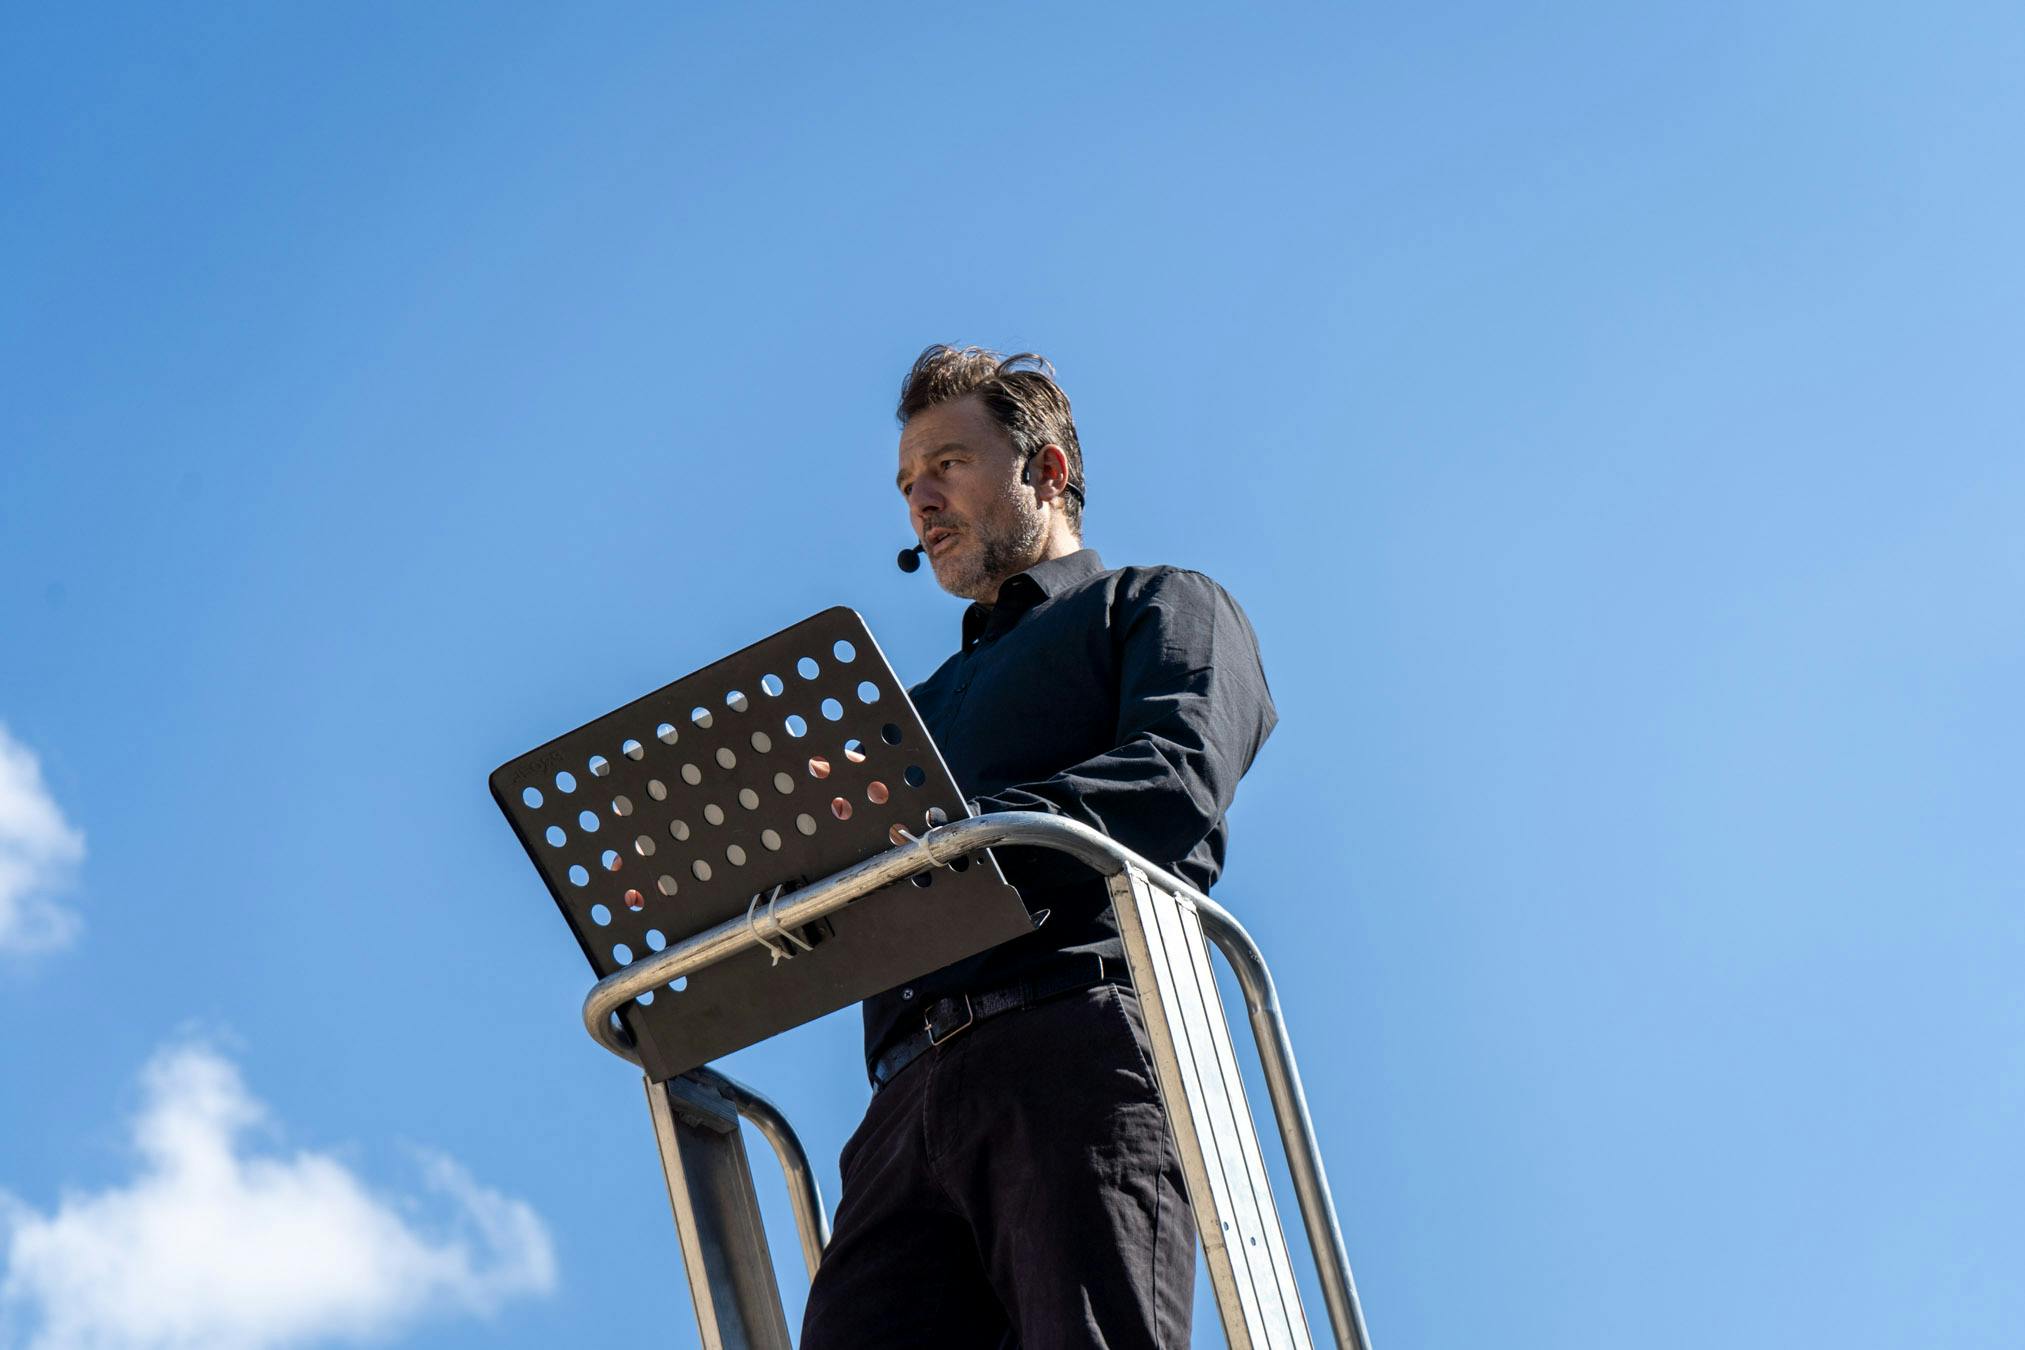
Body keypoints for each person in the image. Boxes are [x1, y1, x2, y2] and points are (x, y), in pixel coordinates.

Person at [799, 346, 1278, 1350]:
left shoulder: (1155, 605)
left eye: (947, 465)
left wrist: (961, 847)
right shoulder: (908, 716)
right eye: (906, 484)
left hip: (1073, 1046)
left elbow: (1174, 777)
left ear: (1045, 471)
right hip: (900, 1106)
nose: (921, 501)